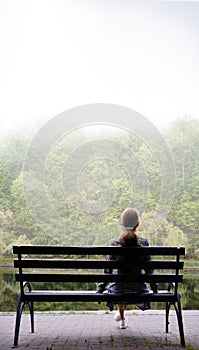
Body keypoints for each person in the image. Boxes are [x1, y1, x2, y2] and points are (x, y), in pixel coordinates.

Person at [97, 207, 158, 329]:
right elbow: (149, 271)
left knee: (120, 284)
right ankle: (121, 316)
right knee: (129, 283)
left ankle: (121, 316)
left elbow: (108, 270)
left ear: (122, 223)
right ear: (138, 223)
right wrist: (155, 288)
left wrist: (101, 288)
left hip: (117, 289)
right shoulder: (144, 243)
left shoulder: (114, 243)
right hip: (139, 289)